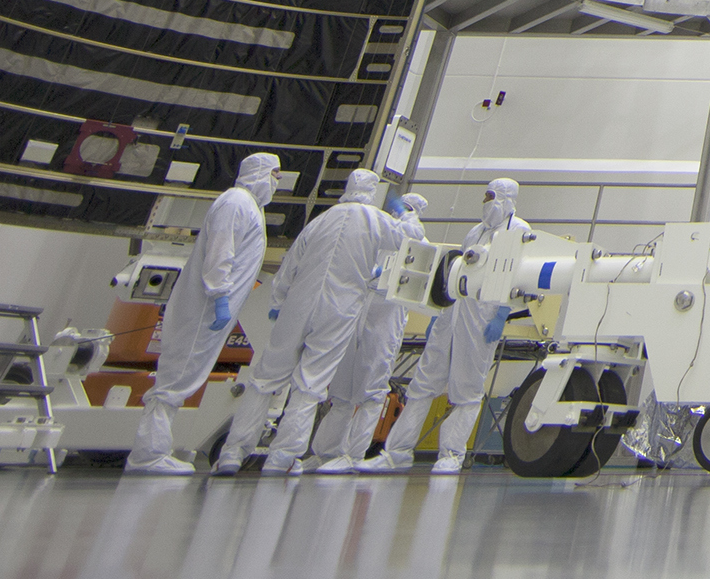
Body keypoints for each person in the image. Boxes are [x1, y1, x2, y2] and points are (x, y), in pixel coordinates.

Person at [215, 168, 407, 475]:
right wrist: (403, 215)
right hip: (339, 310)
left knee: (265, 379)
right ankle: (282, 458)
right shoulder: (376, 220)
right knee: (311, 382)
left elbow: (290, 264)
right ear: (372, 191)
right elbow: (412, 242)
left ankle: (233, 453)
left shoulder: (322, 220)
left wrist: (278, 303)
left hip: (298, 304)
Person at [126, 152, 279, 474]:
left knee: (183, 375)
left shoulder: (250, 206)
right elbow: (220, 254)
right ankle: (147, 455)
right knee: (176, 377)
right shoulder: (236, 202)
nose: (276, 183)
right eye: (273, 175)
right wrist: (220, 295)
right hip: (205, 307)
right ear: (258, 173)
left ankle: (154, 450)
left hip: (212, 308)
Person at [372, 176, 518, 474]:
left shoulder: (518, 231)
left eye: (492, 197)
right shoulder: (475, 232)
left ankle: (451, 454)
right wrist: (438, 315)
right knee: (423, 382)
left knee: (467, 387)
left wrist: (502, 314)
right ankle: (397, 452)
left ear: (506, 198)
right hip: (452, 314)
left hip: (482, 319)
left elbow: (515, 276)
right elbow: (455, 274)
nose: (487, 203)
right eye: (485, 197)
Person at [314, 192, 428, 472]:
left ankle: (353, 455)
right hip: (360, 308)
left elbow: (416, 282)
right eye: (400, 207)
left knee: (372, 387)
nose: (399, 213)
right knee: (341, 387)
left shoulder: (418, 242)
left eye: (407, 209)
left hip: (386, 317)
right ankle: (326, 452)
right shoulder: (379, 232)